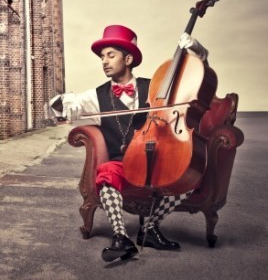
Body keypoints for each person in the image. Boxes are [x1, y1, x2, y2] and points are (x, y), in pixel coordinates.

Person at [49, 24, 209, 262]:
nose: (104, 61)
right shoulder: (96, 95)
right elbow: (65, 106)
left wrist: (200, 53)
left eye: (110, 55)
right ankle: (121, 237)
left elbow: (192, 80)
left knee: (190, 178)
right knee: (105, 174)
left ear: (129, 58)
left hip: (160, 159)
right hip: (122, 164)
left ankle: (150, 229)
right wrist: (63, 101)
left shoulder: (156, 85)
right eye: (102, 57)